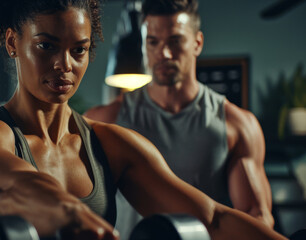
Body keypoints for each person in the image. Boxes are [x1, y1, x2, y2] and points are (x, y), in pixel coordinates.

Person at [0, 0, 284, 239]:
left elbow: (214, 218)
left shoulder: (109, 145)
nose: (64, 65)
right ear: (12, 42)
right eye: (47, 46)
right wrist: (71, 213)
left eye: (79, 50)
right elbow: (9, 187)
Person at [84, 0, 273, 238]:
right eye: (153, 42)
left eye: (175, 41)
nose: (164, 53)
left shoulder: (237, 125)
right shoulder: (105, 119)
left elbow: (256, 215)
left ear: (197, 43)